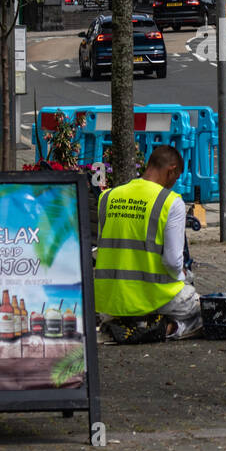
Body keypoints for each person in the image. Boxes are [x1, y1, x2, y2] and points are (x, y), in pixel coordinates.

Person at [94, 145, 203, 342]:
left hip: (110, 300)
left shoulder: (107, 197)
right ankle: (168, 328)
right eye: (176, 178)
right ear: (171, 170)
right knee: (206, 310)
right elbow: (172, 262)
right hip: (153, 297)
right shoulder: (170, 202)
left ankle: (120, 325)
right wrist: (182, 276)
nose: (174, 184)